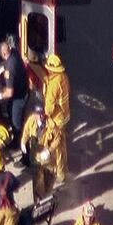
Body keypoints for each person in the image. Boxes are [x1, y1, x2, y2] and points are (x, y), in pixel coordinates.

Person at [0, 42, 29, 150]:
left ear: (3, 54)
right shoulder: (14, 52)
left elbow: (9, 92)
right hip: (22, 89)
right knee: (10, 110)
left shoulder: (10, 68)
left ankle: (18, 144)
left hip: (19, 96)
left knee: (16, 122)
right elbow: (7, 62)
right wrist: (0, 70)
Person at [43, 54, 70, 182]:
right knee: (62, 142)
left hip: (56, 119)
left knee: (56, 146)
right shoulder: (63, 77)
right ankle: (65, 166)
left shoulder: (54, 83)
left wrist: (45, 116)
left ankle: (60, 172)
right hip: (65, 116)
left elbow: (49, 107)